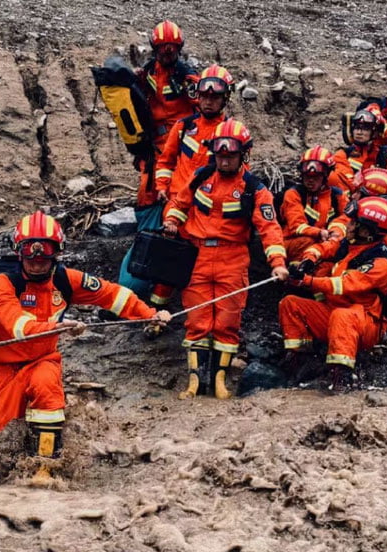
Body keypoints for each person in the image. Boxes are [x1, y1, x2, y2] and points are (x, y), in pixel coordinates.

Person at [0, 211, 166, 458]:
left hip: (43, 359)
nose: (37, 258)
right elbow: (19, 327)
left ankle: (46, 468)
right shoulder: (3, 283)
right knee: (7, 437)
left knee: (47, 391)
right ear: (18, 250)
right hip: (6, 368)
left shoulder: (64, 280)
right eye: (30, 250)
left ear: (57, 251)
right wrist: (58, 328)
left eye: (45, 250)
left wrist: (149, 313)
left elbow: (112, 294)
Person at [162, 120, 290, 399]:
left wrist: (278, 262)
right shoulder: (200, 177)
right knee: (197, 321)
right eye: (220, 155)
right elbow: (179, 204)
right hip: (197, 255)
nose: (225, 160)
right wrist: (171, 221)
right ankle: (194, 383)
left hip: (232, 258)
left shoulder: (254, 189)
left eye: (230, 155)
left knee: (226, 323)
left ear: (243, 155)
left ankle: (220, 383)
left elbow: (269, 228)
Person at [119, 64, 232, 307]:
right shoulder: (184, 127)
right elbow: (166, 161)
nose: (209, 101)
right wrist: (161, 185)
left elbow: (239, 175)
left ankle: (196, 309)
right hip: (177, 206)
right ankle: (157, 309)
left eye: (215, 97)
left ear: (225, 98)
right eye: (205, 96)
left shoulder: (231, 134)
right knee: (168, 259)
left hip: (208, 213)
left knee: (202, 266)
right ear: (197, 96)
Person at [279, 197, 387, 391]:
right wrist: (309, 258)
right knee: (290, 303)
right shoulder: (349, 246)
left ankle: (341, 376)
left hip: (365, 322)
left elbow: (343, 285)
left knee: (342, 316)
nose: (348, 225)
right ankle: (301, 360)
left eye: (353, 223)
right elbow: (324, 247)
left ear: (366, 231)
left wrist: (307, 281)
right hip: (335, 311)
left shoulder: (380, 263)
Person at [131, 20, 200, 209]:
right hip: (155, 139)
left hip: (181, 140)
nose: (168, 53)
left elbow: (205, 106)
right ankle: (148, 227)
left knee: (178, 186)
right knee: (148, 188)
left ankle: (177, 226)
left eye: (172, 49)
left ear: (179, 49)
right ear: (155, 49)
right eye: (163, 49)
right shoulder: (149, 71)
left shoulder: (185, 75)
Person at [330, 109, 387, 210]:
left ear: (374, 133)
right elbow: (349, 180)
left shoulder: (384, 151)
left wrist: (382, 180)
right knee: (333, 177)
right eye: (357, 128)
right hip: (354, 198)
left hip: (381, 196)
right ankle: (346, 211)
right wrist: (361, 189)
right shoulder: (343, 154)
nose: (359, 132)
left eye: (365, 129)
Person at [281, 146, 350, 264]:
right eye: (307, 176)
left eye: (316, 177)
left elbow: (347, 218)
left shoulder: (337, 196)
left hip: (323, 241)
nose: (310, 181)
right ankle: (295, 276)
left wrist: (334, 231)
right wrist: (319, 233)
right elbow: (296, 225)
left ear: (326, 176)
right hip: (292, 242)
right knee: (307, 241)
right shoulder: (294, 194)